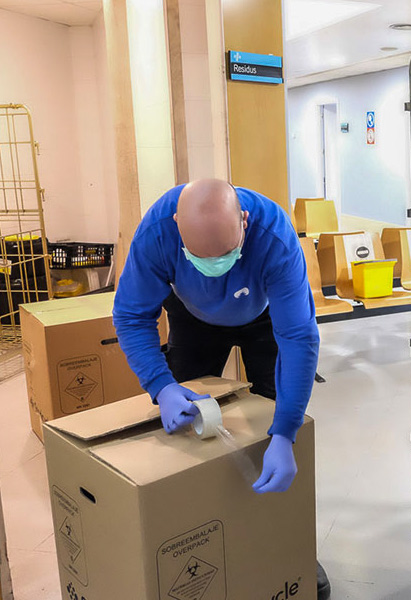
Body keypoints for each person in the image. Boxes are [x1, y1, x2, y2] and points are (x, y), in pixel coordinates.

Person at [112, 178, 330, 599]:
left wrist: (285, 430)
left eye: (228, 254)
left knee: (272, 423)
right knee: (185, 428)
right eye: (202, 257)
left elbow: (299, 337)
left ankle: (290, 539)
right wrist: (162, 387)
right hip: (192, 318)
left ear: (244, 222)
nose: (219, 266)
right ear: (177, 226)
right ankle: (196, 529)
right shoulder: (157, 232)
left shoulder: (275, 237)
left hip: (264, 316)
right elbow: (131, 316)